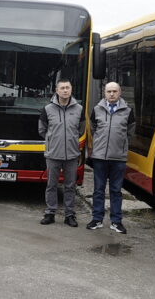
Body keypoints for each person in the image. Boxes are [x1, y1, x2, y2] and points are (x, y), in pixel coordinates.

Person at [87, 82, 135, 234]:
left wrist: (120, 145)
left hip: (118, 158)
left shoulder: (128, 111)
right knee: (98, 190)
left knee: (116, 191)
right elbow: (93, 128)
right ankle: (97, 219)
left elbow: (130, 131)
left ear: (120, 92)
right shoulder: (97, 109)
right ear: (104, 93)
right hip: (100, 157)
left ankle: (116, 221)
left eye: (115, 91)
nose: (112, 94)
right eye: (109, 91)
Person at [38, 79, 84, 227]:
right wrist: (53, 140)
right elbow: (42, 130)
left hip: (71, 154)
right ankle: (50, 213)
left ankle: (69, 215)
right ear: (56, 91)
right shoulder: (47, 109)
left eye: (67, 88)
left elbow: (81, 129)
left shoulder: (79, 109)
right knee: (51, 185)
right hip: (53, 154)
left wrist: (71, 140)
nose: (65, 90)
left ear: (71, 90)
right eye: (62, 88)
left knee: (70, 186)